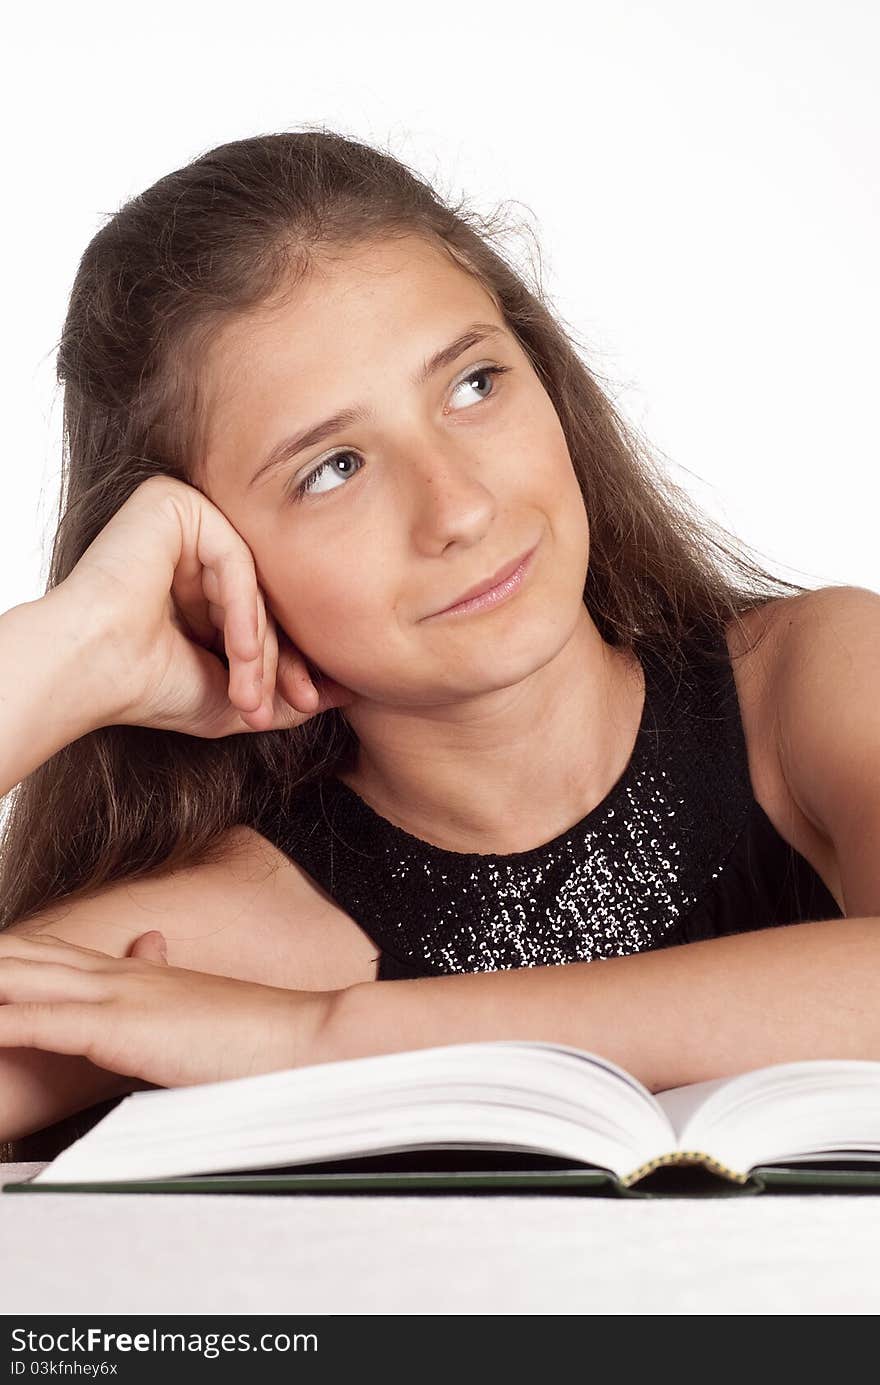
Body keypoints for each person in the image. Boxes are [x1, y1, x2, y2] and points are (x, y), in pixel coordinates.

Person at [1, 128, 878, 1161]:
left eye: (472, 384)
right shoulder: (221, 942)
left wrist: (321, 1035)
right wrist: (66, 654)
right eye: (332, 466)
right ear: (210, 559)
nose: (458, 508)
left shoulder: (809, 681)